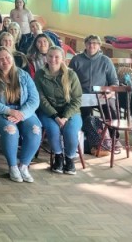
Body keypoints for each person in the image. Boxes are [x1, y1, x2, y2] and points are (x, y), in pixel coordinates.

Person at [0, 47, 41, 183]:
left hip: (22, 111)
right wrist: (9, 111)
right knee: (11, 130)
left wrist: (22, 114)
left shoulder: (23, 75)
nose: (5, 61)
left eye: (7, 57)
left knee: (35, 130)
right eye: (0, 59)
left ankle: (24, 165)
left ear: (12, 58)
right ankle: (13, 166)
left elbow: (34, 99)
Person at [34, 46, 83, 175]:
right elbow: (41, 99)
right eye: (50, 56)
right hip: (48, 112)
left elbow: (77, 99)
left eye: (57, 57)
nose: (53, 59)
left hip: (71, 112)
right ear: (46, 57)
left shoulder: (71, 75)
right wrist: (55, 116)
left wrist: (65, 117)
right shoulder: (40, 74)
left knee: (70, 130)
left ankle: (70, 159)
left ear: (62, 59)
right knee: (53, 130)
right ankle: (58, 157)